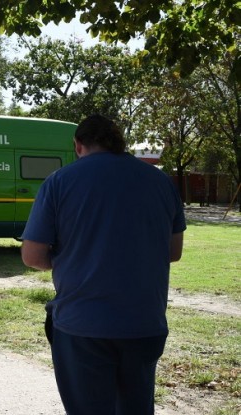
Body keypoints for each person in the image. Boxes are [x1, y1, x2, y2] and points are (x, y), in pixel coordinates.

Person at [21, 114, 186, 415]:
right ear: (120, 144)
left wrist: (69, 258)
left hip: (83, 324)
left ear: (78, 145)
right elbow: (173, 252)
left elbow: (32, 256)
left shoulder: (59, 182)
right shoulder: (161, 181)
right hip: (144, 322)